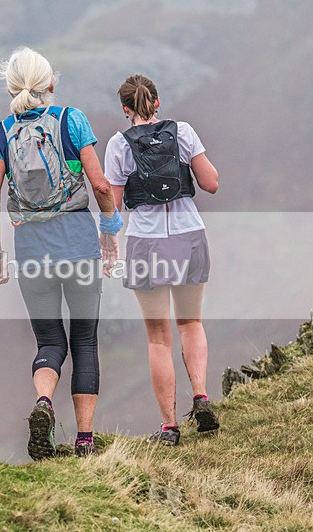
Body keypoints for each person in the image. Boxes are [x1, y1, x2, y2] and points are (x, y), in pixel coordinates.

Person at [0, 47, 122, 459]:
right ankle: (83, 439)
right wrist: (111, 230)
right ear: (51, 85)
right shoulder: (70, 120)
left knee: (49, 341)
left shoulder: (1, 132)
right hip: (78, 240)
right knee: (84, 340)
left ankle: (43, 403)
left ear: (11, 88)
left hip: (30, 247)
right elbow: (99, 185)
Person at [105, 74, 220, 446]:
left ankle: (169, 427)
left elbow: (114, 206)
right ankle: (201, 396)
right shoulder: (183, 132)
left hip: (146, 241)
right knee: (191, 322)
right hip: (189, 235)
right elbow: (211, 183)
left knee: (158, 338)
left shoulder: (118, 146)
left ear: (125, 109)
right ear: (157, 101)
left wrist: (108, 244)